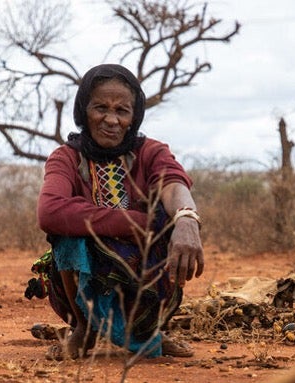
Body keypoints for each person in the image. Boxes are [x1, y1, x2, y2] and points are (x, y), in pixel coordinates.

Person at [34, 63, 204, 360]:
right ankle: (84, 329)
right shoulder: (67, 158)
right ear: (83, 111)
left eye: (122, 111)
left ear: (133, 117)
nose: (111, 119)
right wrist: (136, 223)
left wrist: (187, 217)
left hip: (142, 279)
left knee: (170, 222)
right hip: (80, 281)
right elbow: (49, 211)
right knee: (65, 236)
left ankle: (149, 329)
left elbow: (173, 183)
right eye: (100, 107)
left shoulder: (151, 152)